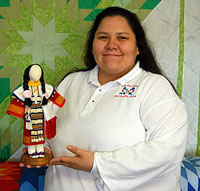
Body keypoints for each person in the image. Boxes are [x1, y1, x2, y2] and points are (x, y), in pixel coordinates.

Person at [30, 7, 187, 191]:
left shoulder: (154, 86)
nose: (111, 45)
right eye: (103, 37)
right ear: (93, 44)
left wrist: (98, 163)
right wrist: (43, 149)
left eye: (122, 37)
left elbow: (168, 151)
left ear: (137, 47)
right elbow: (48, 125)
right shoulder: (70, 82)